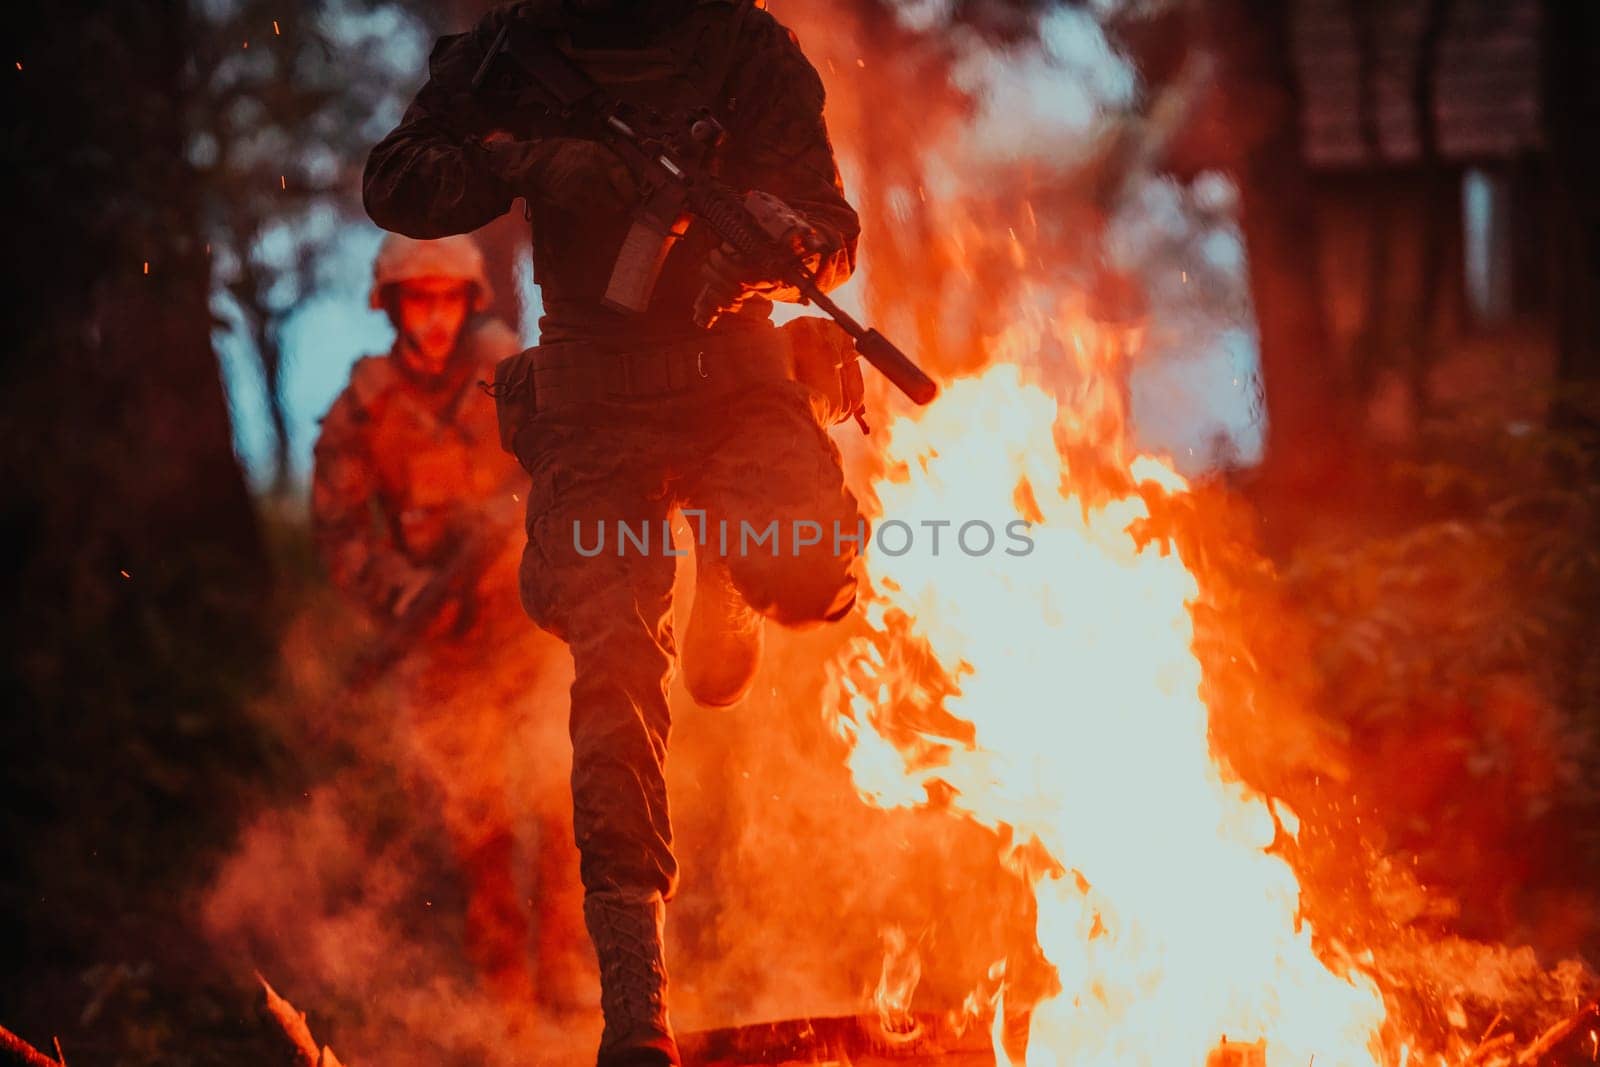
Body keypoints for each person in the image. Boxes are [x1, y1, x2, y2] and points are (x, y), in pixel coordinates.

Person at [363, 2, 870, 1063]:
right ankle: (636, 1012)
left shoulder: (742, 47)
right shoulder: (514, 49)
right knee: (612, 671)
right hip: (594, 398)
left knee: (812, 570)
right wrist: (538, 165)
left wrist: (774, 245)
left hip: (733, 377)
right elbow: (398, 182)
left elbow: (834, 226)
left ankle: (729, 569)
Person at [310, 232, 588, 1026]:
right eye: (417, 300)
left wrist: (520, 533)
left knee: (566, 806)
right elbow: (341, 534)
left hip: (535, 625)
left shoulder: (511, 371)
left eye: (447, 299)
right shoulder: (364, 403)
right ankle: (507, 993)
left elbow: (573, 466)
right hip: (440, 645)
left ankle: (568, 971)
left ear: (468, 302)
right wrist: (409, 595)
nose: (433, 317)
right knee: (479, 825)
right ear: (394, 306)